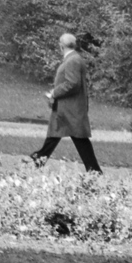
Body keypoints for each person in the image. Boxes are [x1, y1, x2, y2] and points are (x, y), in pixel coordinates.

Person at [32, 32, 102, 172]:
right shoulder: (73, 58)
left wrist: (54, 92)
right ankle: (40, 158)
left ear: (61, 46)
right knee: (56, 134)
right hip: (67, 107)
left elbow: (72, 83)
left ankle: (94, 170)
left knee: (79, 139)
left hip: (70, 108)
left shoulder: (72, 60)